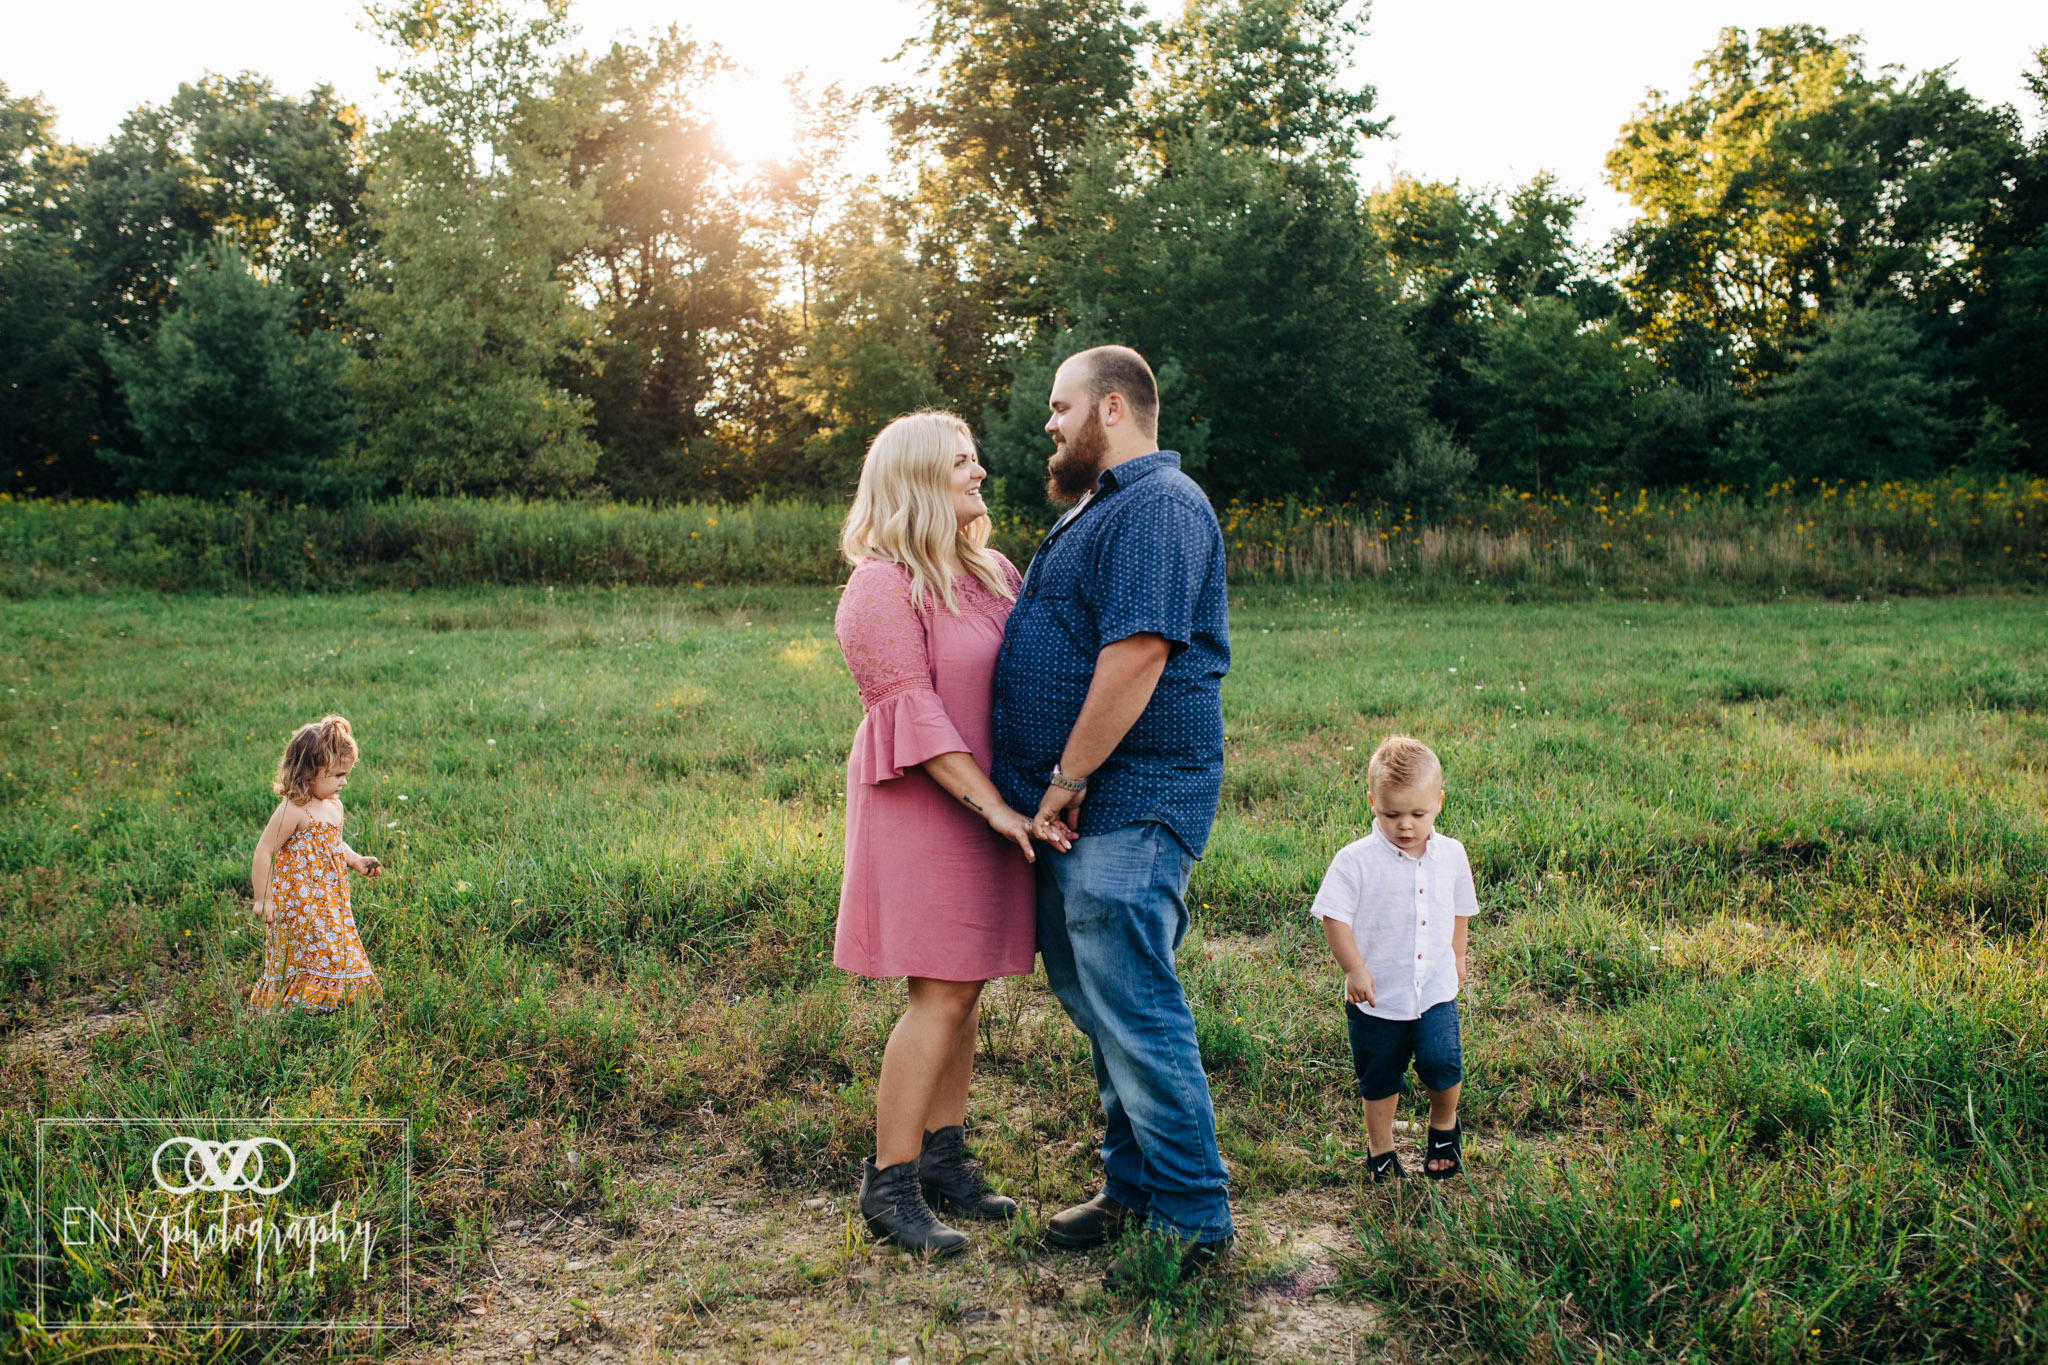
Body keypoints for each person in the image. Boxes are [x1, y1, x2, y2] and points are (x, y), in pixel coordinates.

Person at [990, 345, 1235, 1281]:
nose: (1047, 424)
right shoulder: (1104, 505)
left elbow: (1135, 656)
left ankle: (1193, 1213)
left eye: (1061, 406)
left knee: (1134, 1003)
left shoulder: (1161, 507)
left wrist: (1064, 774)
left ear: (1114, 407)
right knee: (1100, 1002)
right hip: (1087, 804)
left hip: (1129, 799)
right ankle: (1131, 1183)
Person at [832, 411, 1052, 1257]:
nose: (982, 472)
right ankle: (889, 1187)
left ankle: (944, 1157)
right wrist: (992, 806)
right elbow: (911, 711)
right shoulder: (881, 584)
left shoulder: (993, 569)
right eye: (962, 461)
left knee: (970, 984)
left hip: (993, 799)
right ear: (920, 476)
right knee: (939, 992)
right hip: (927, 804)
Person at [1311, 735, 1476, 1181]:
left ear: (1439, 802)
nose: (1406, 825)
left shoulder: (1452, 855)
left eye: (1418, 814)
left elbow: (1461, 909)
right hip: (1377, 995)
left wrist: (1458, 956)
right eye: (1391, 814)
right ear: (1372, 802)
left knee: (1443, 1061)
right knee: (1379, 1075)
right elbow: (1334, 917)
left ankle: (1443, 1126)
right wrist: (1354, 968)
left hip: (1435, 989)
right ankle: (1380, 1150)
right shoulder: (1355, 861)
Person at [250, 714, 384, 1015]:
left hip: (330, 898)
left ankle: (330, 1000)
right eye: (337, 775)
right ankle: (303, 1004)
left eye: (346, 774)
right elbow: (264, 850)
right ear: (308, 772)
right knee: (308, 953)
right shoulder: (293, 809)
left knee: (334, 948)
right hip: (299, 902)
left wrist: (355, 859)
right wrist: (264, 898)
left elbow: (333, 842)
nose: (344, 782)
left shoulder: (334, 806)